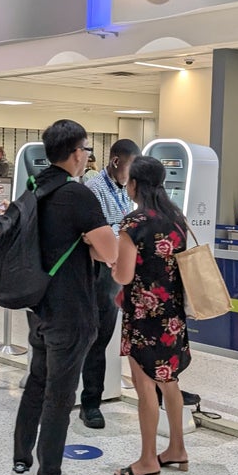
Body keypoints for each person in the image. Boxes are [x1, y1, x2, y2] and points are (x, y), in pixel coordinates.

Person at [11, 119, 117, 475]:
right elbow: (110, 252)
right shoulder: (77, 195)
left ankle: (21, 466)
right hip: (71, 310)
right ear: (76, 153)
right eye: (87, 150)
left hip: (38, 307)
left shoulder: (34, 188)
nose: (88, 156)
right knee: (60, 397)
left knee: (36, 386)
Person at [111, 155, 192, 475]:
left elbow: (125, 275)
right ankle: (176, 448)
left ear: (136, 184)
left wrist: (110, 264)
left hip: (144, 318)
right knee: (170, 382)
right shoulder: (176, 219)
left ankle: (147, 459)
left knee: (144, 388)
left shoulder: (133, 223)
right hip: (172, 317)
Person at [78, 139, 140, 428]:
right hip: (98, 272)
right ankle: (90, 402)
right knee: (95, 338)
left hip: (121, 269)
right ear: (116, 161)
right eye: (130, 166)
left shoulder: (125, 191)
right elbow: (93, 236)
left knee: (110, 337)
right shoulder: (94, 190)